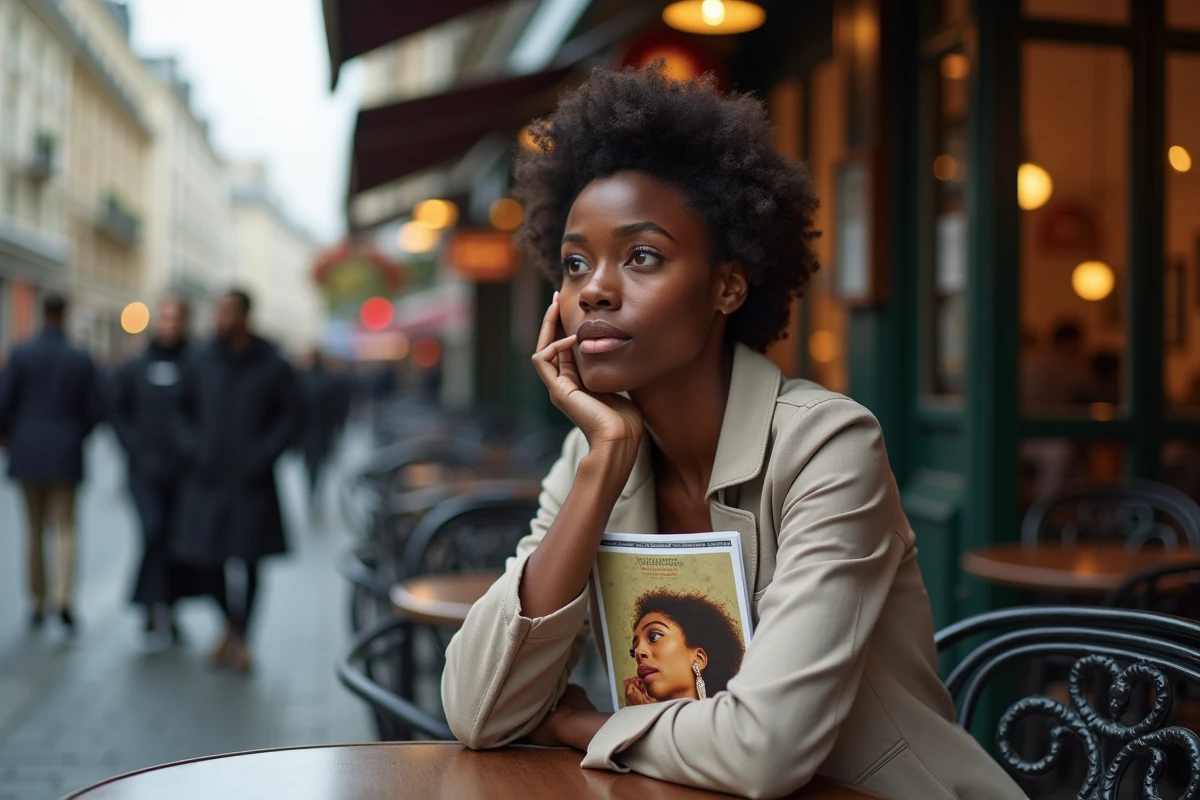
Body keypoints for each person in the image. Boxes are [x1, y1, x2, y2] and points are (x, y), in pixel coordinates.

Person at [441, 66, 1028, 800]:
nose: (593, 287)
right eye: (575, 263)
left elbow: (765, 748)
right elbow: (477, 711)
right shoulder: (592, 451)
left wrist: (583, 728)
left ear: (727, 285)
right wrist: (604, 463)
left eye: (642, 255)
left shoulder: (827, 448)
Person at [171, 289, 302, 672]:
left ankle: (244, 637)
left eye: (227, 311)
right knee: (206, 560)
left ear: (245, 315)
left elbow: (292, 418)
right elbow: (179, 412)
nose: (220, 317)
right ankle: (229, 624)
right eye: (218, 310)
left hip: (252, 482)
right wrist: (193, 449)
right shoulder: (199, 359)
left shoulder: (273, 364)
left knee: (250, 562)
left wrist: (263, 455)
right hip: (207, 478)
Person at [0, 294, 103, 633]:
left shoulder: (22, 353)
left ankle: (37, 600)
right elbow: (94, 410)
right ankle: (63, 597)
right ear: (66, 314)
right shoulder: (79, 358)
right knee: (66, 528)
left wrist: (9, 439)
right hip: (65, 451)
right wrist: (75, 435)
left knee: (33, 529)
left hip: (27, 449)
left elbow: (5, 402)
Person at [111, 297, 194, 650]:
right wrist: (134, 447)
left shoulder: (195, 364)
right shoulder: (137, 366)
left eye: (175, 318)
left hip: (183, 473)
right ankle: (149, 606)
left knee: (175, 540)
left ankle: (167, 609)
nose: (169, 324)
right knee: (153, 532)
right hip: (144, 471)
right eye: (165, 317)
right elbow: (117, 410)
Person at [623, 590, 744, 706]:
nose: (639, 652)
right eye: (634, 650)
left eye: (654, 636)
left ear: (699, 658)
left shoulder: (730, 719)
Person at [297, 348, 340, 512]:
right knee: (315, 467)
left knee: (312, 467)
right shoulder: (324, 380)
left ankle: (312, 493)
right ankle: (314, 493)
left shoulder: (303, 381)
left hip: (312, 433)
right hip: (319, 432)